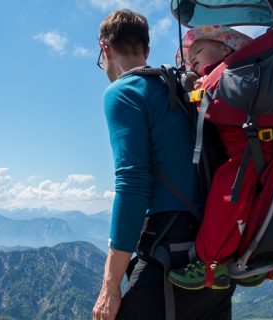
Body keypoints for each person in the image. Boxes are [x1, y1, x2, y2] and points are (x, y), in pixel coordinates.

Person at [92, 10, 234, 320]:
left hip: (168, 256)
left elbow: (132, 186)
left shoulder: (123, 92)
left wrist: (110, 286)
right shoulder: (186, 87)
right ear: (146, 49)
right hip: (214, 257)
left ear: (105, 50)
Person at [167, 25, 273, 290]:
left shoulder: (228, 73)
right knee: (257, 206)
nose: (192, 59)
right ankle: (257, 260)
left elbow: (216, 109)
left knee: (225, 197)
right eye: (189, 57)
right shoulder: (246, 72)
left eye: (199, 51)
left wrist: (198, 91)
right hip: (266, 150)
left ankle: (209, 264)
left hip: (247, 153)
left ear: (225, 48)